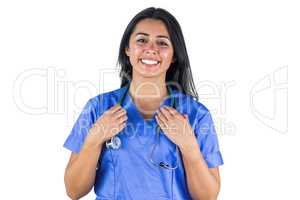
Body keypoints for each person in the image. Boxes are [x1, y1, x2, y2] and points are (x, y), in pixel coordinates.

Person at [63, 7, 224, 200]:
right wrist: (93, 140)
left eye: (162, 43)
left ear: (173, 55)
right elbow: (74, 191)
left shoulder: (196, 114)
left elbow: (208, 197)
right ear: (128, 49)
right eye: (141, 40)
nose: (151, 48)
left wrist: (189, 147)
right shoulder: (98, 108)